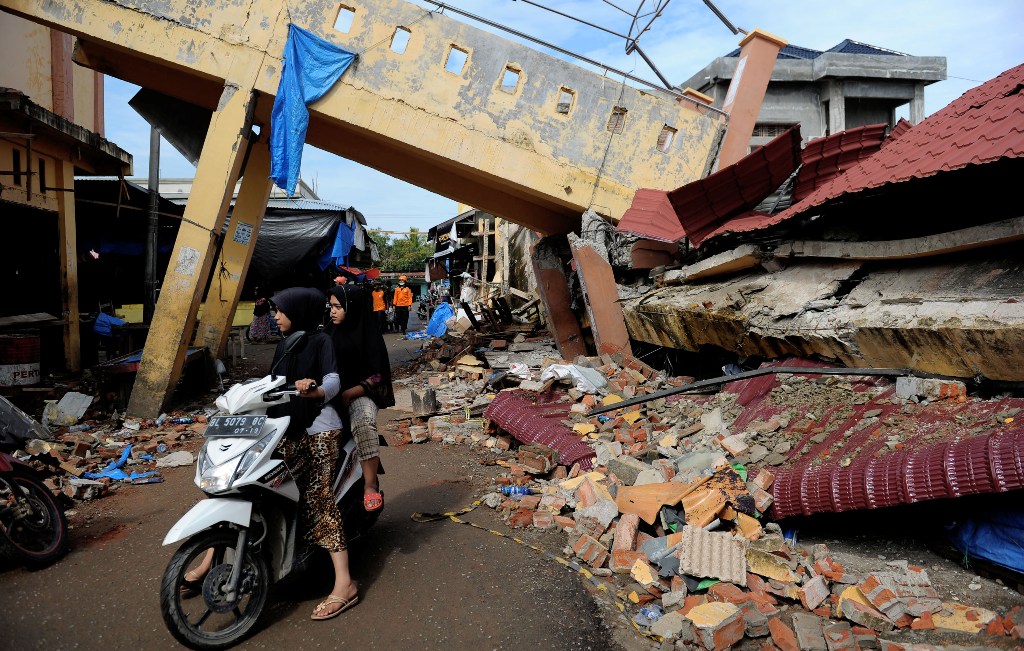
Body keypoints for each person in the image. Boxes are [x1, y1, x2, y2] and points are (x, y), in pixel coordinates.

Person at [265, 287, 359, 620]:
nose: (275, 316)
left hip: (321, 426)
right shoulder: (282, 345)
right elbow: (269, 385)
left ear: (298, 311)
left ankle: (344, 583)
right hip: (285, 427)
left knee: (318, 497)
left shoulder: (321, 341)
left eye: (280, 310)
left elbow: (333, 380)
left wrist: (314, 389)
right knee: (257, 481)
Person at [326, 285, 394, 514]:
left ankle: (369, 484)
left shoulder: (369, 333)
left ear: (351, 307)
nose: (332, 312)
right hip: (329, 394)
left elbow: (378, 374)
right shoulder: (326, 333)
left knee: (364, 423)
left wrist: (350, 392)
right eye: (331, 307)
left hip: (360, 393)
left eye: (338, 307)